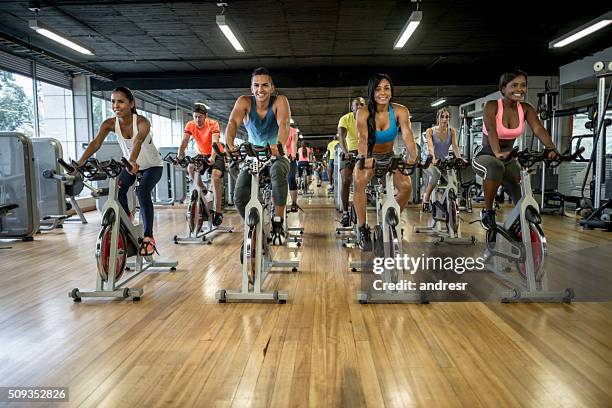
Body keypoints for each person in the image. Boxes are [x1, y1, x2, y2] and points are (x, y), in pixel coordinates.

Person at [75, 86, 164, 255]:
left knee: (142, 192)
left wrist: (132, 160)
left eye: (121, 101)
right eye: (113, 102)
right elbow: (95, 144)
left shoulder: (142, 122)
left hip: (153, 166)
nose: (116, 105)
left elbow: (137, 141)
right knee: (119, 190)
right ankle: (127, 220)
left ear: (132, 104)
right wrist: (79, 164)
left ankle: (148, 237)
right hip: (131, 165)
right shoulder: (109, 124)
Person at [472, 69, 559, 230]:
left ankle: (524, 216)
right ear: (503, 88)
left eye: (523, 85)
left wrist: (551, 147)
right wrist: (497, 152)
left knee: (520, 186)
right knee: (495, 166)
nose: (520, 89)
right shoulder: (492, 106)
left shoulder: (526, 108)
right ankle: (488, 211)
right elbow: (492, 130)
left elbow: (538, 128)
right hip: (486, 154)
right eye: (514, 85)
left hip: (509, 156)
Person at [225, 67, 291, 244]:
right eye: (256, 85)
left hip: (276, 154)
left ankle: (278, 222)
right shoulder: (244, 102)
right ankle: (255, 226)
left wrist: (278, 145)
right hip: (253, 156)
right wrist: (230, 143)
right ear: (251, 88)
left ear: (272, 88)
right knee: (239, 196)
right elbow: (232, 122)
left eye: (264, 85)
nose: (260, 89)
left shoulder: (280, 101)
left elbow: (284, 124)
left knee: (277, 171)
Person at [354, 74, 418, 251]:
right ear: (372, 92)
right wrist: (364, 157)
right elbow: (362, 137)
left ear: (391, 91)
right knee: (359, 182)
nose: (383, 92)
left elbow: (407, 134)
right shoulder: (363, 112)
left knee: (406, 186)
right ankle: (362, 228)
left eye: (386, 88)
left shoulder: (400, 111)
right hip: (369, 155)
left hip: (390, 155)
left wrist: (413, 155)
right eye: (378, 89)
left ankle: (389, 219)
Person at [178, 102, 225, 226]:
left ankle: (218, 211)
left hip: (217, 153)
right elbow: (184, 141)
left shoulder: (213, 124)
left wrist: (213, 158)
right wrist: (179, 156)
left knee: (215, 176)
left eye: (200, 116)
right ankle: (203, 189)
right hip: (202, 154)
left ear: (206, 116)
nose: (197, 119)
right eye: (195, 117)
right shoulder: (190, 125)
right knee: (190, 167)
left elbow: (215, 142)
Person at [421, 107, 466, 211]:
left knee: (454, 182)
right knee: (437, 174)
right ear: (438, 118)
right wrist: (433, 159)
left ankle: (450, 204)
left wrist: (459, 158)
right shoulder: (430, 131)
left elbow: (455, 146)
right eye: (442, 117)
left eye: (447, 117)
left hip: (443, 162)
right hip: (429, 162)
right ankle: (426, 197)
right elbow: (431, 147)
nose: (445, 119)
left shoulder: (452, 131)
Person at [338, 97, 366, 227]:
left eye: (362, 104)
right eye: (357, 105)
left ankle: (360, 212)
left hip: (364, 151)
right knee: (345, 180)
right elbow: (342, 137)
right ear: (352, 107)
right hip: (349, 152)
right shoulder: (345, 119)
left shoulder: (369, 118)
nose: (359, 106)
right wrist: (345, 152)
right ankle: (345, 212)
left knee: (361, 183)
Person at [286, 125, 299, 212]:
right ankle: (273, 205)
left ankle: (294, 203)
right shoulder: (274, 128)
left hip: (290, 158)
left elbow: (293, 143)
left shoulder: (293, 131)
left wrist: (293, 154)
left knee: (291, 178)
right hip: (277, 156)